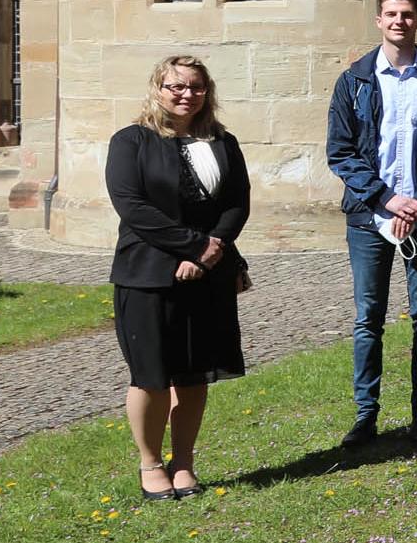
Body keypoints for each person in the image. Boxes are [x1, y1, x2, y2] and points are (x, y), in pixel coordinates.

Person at [325, 0, 417, 448]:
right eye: (391, 14)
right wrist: (386, 198)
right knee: (369, 317)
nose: (399, 21)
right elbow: (341, 152)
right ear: (378, 20)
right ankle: (365, 416)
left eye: (407, 14)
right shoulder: (354, 81)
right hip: (369, 217)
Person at [107, 56, 250, 502]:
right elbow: (132, 206)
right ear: (158, 88)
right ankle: (151, 464)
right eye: (177, 86)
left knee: (193, 374)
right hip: (147, 272)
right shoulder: (131, 141)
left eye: (197, 87)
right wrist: (192, 248)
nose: (187, 94)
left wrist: (210, 252)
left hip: (208, 273)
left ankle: (183, 462)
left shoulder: (223, 141)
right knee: (150, 375)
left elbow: (237, 203)